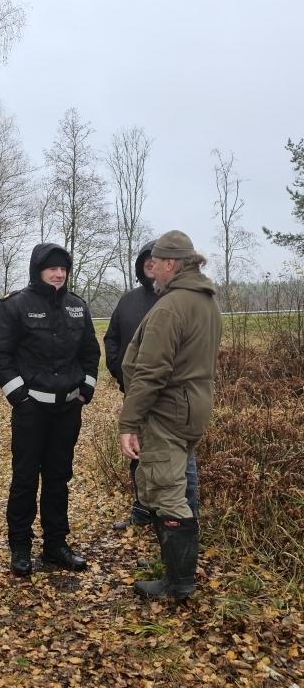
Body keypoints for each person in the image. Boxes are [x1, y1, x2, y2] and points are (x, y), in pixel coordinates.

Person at [0, 243, 101, 577]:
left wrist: (86, 391)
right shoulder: (14, 306)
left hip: (67, 410)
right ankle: (20, 546)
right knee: (24, 478)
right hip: (30, 409)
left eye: (63, 268)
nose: (58, 273)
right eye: (52, 268)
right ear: (38, 269)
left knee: (58, 477)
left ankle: (55, 543)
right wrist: (19, 396)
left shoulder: (77, 306)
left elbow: (90, 353)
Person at [119, 231, 222, 601]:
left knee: (167, 490)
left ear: (170, 264)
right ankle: (171, 562)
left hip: (168, 411)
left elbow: (150, 372)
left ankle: (177, 583)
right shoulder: (206, 301)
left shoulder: (172, 305)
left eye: (157, 264)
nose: (152, 273)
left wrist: (128, 423)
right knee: (167, 482)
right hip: (192, 406)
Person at [104, 240, 199, 531]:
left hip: (170, 398)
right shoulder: (128, 300)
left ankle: (184, 521)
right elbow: (112, 338)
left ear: (168, 263)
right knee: (138, 455)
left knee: (180, 463)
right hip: (135, 392)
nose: (150, 264)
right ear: (140, 265)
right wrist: (119, 370)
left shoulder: (175, 300)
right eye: (146, 260)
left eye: (155, 260)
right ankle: (143, 511)